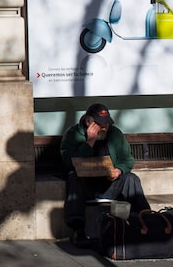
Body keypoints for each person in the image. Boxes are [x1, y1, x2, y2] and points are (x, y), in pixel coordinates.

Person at [60, 102, 151, 247]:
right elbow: (69, 162)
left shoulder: (114, 134)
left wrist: (119, 170)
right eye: (100, 124)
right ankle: (78, 229)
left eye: (106, 123)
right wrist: (90, 141)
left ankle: (145, 221)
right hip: (86, 186)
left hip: (110, 184)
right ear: (88, 121)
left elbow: (127, 159)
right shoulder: (73, 134)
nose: (104, 127)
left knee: (131, 179)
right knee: (73, 177)